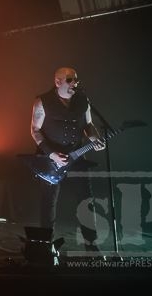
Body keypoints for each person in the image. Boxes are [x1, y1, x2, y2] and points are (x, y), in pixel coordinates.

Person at [29, 66, 106, 249]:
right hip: (50, 160)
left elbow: (88, 125)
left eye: (76, 79)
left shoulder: (83, 99)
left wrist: (95, 139)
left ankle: (91, 245)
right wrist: (51, 153)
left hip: (77, 155)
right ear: (58, 82)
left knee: (86, 200)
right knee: (48, 202)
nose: (75, 83)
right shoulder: (42, 101)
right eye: (70, 79)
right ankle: (46, 245)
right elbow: (35, 130)